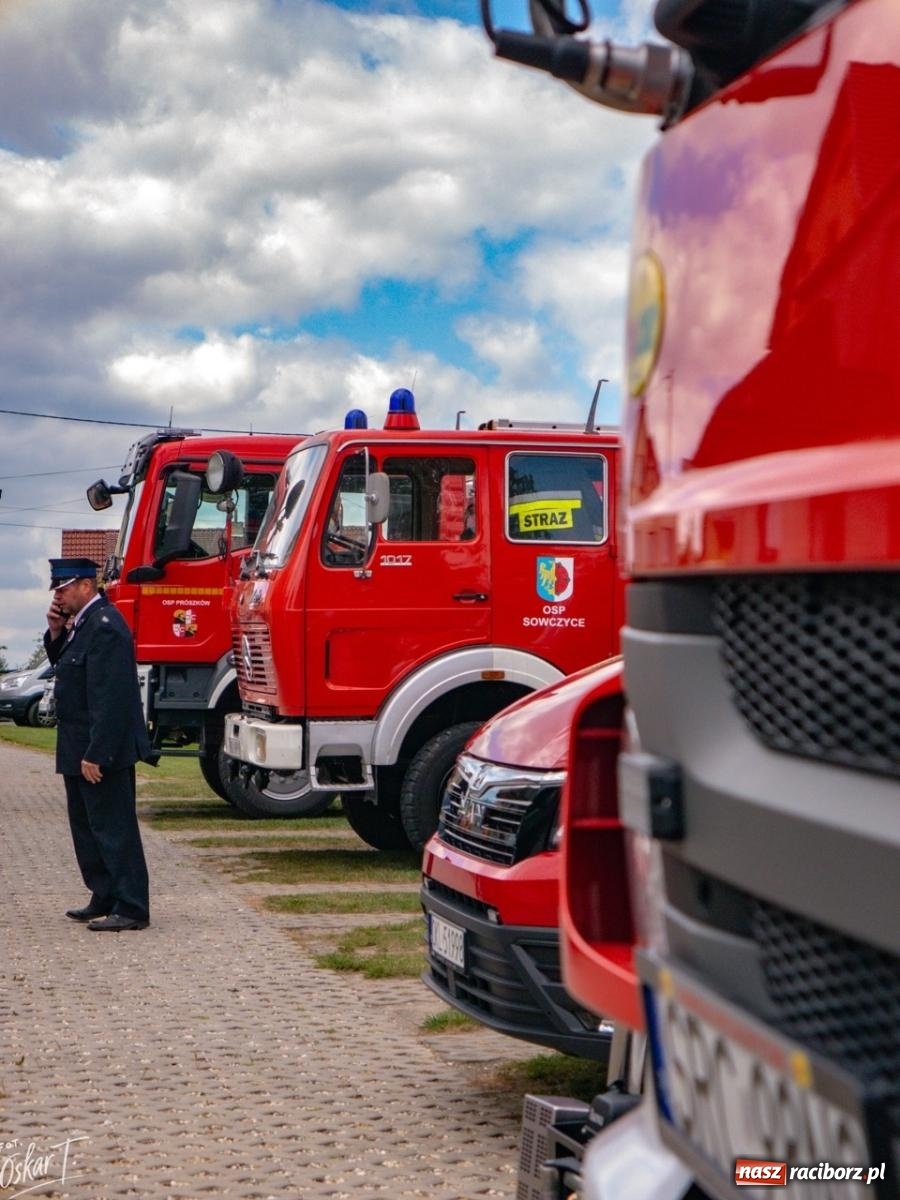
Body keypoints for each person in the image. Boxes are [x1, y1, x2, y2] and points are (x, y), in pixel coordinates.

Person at [44, 558, 153, 931]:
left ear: (86, 586)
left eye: (64, 588)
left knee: (113, 826)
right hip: (77, 744)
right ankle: (104, 893)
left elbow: (113, 697)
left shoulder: (106, 626)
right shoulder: (83, 625)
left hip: (98, 750)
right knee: (87, 827)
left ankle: (132, 905)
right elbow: (69, 671)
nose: (59, 596)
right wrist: (56, 632)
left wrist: (98, 753)